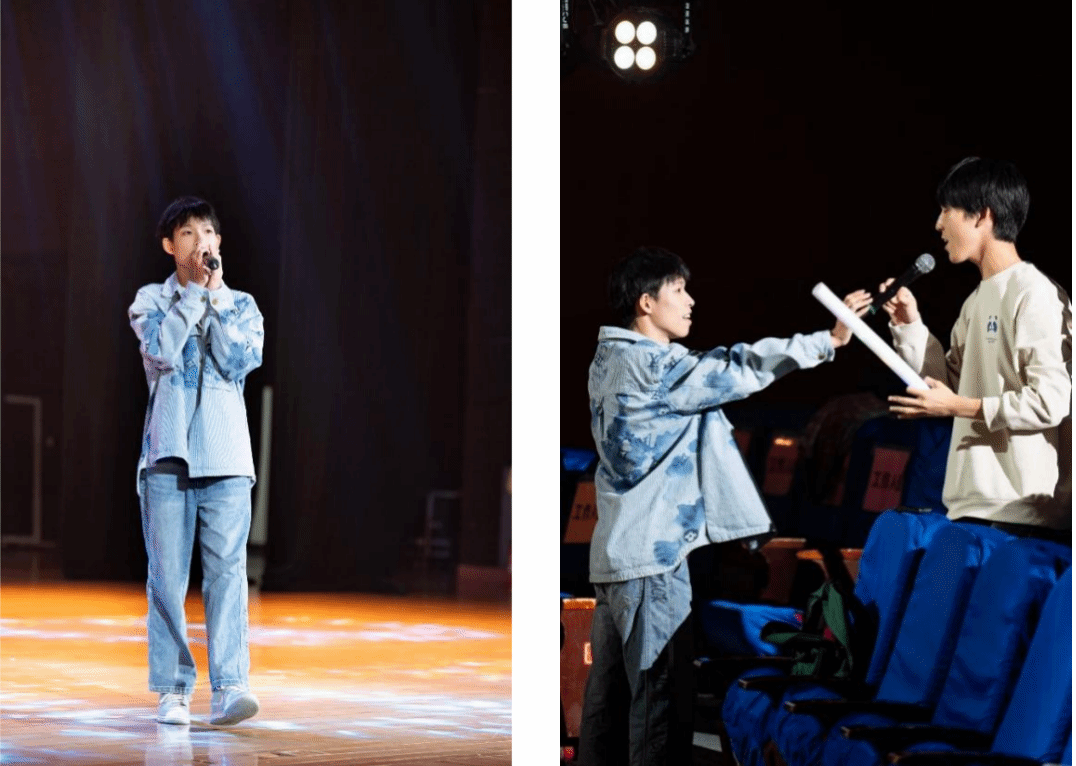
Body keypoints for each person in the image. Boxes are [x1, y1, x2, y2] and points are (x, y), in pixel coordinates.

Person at [578, 246, 870, 765]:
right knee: (659, 706)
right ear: (646, 302)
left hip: (615, 555)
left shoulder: (608, 361)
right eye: (678, 290)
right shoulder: (659, 369)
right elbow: (738, 367)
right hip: (654, 562)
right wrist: (829, 340)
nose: (690, 301)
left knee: (608, 706)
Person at [128, 196, 265, 726]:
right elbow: (161, 350)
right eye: (187, 233)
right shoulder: (151, 301)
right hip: (168, 456)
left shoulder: (243, 305)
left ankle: (231, 687)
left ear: (219, 243)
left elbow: (237, 361)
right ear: (170, 245)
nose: (199, 241)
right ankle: (173, 691)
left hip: (226, 457)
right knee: (166, 578)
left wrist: (216, 299)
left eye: (207, 232)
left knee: (228, 575)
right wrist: (192, 298)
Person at [884, 158, 1072, 537]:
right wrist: (910, 327)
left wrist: (959, 406)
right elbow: (946, 387)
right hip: (970, 505)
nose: (938, 224)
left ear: (982, 215)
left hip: (1021, 513)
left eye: (947, 210)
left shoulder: (1034, 293)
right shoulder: (975, 301)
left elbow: (1051, 401)